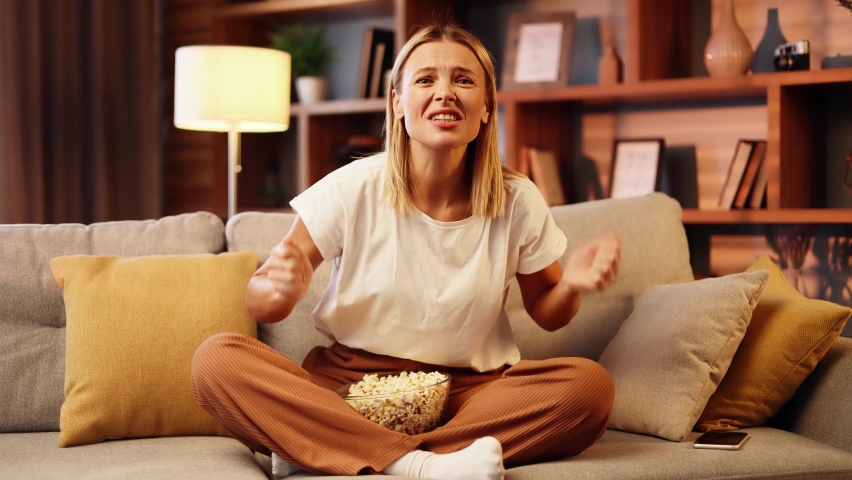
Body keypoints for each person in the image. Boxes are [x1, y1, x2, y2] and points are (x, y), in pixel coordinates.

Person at [190, 23, 620, 480]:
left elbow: (547, 310)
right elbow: (260, 302)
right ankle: (419, 465)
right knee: (216, 360)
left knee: (588, 389)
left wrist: (571, 285)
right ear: (397, 101)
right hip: (351, 387)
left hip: (467, 394)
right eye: (425, 79)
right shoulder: (350, 189)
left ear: (487, 106)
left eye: (464, 79)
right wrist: (279, 290)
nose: (445, 92)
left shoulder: (517, 199)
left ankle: (323, 446)